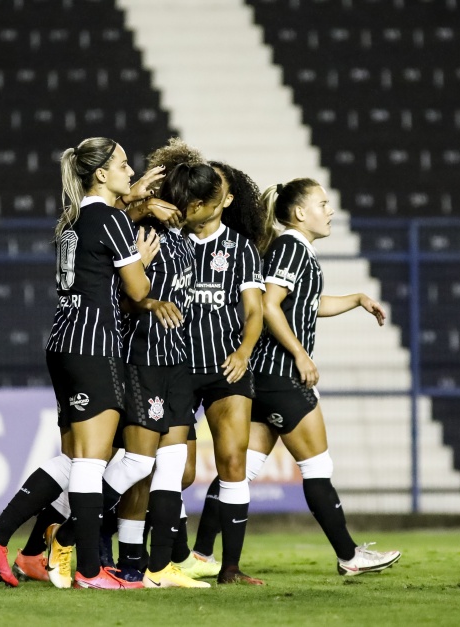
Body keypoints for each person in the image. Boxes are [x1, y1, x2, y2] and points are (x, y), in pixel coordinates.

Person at [0, 137, 160, 590]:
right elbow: (137, 292)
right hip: (95, 346)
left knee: (75, 458)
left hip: (62, 342)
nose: (129, 171)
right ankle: (91, 572)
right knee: (93, 462)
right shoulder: (113, 220)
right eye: (122, 164)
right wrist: (144, 261)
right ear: (100, 174)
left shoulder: (71, 220)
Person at [195, 178, 403, 577]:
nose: (330, 211)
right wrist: (301, 354)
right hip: (282, 376)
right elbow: (270, 305)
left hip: (263, 377)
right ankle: (349, 556)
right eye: (323, 204)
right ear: (299, 213)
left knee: (238, 471)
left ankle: (200, 555)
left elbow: (306, 304)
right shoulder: (291, 246)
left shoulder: (297, 249)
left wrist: (357, 299)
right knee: (317, 467)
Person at [100, 163, 225, 589]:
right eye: (212, 202)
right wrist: (134, 206)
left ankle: (155, 568)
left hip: (176, 363)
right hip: (144, 359)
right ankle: (74, 529)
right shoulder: (146, 234)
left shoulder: (182, 240)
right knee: (138, 462)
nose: (216, 209)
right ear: (194, 204)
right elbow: (122, 298)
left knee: (171, 469)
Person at [182, 160, 266, 585]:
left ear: (226, 201)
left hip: (224, 369)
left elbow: (255, 311)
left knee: (233, 461)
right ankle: (168, 559)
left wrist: (244, 350)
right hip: (173, 367)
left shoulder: (241, 249)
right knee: (178, 472)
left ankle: (229, 568)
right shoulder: (169, 239)